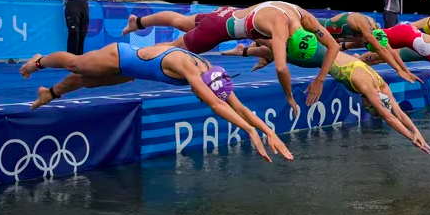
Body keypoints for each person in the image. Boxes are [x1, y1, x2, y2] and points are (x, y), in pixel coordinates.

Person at [19, 43, 293, 163]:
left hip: (130, 73)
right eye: (200, 94)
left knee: (85, 81)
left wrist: (268, 132)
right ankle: (39, 61)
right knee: (77, 64)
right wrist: (249, 131)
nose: (198, 96)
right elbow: (217, 105)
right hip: (120, 56)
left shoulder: (213, 73)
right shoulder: (190, 69)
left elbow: (239, 107)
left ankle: (50, 94)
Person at [120, 1, 340, 116]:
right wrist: (289, 97)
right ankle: (134, 61)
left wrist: (320, 78)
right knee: (173, 50)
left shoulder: (303, 17)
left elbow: (332, 46)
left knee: (182, 21)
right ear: (290, 40)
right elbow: (282, 69)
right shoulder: (281, 31)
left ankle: (137, 22)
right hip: (218, 30)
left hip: (224, 13)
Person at [226, 40, 430, 154]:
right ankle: (246, 49)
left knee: (281, 49)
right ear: (369, 103)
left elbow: (397, 112)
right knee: (280, 47)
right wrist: (409, 137)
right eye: (371, 106)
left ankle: (252, 53)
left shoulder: (382, 86)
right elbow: (389, 116)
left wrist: (416, 132)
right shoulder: (368, 88)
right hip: (319, 57)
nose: (368, 103)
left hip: (325, 51)